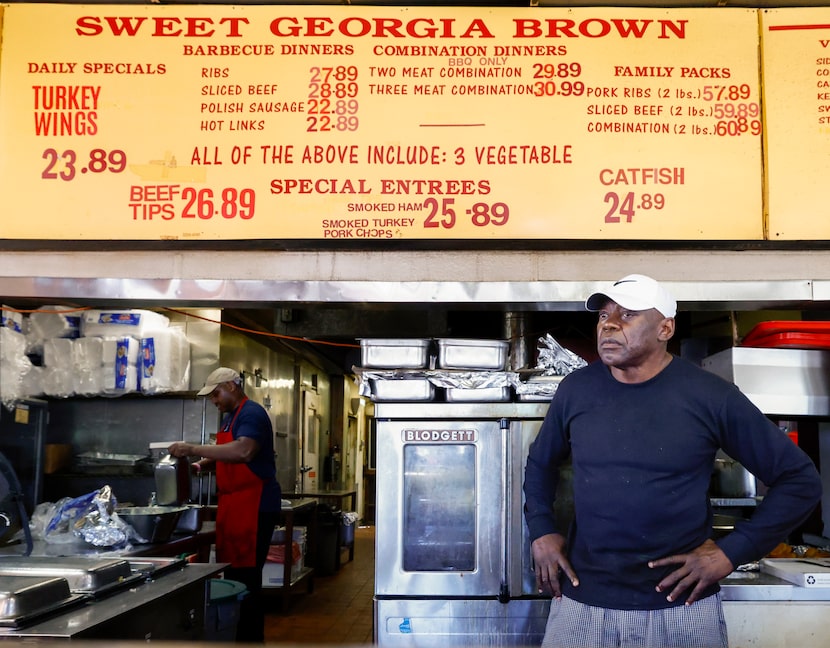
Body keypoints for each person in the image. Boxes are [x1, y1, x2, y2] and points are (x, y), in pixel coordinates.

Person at [523, 274, 822, 648]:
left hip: (681, 606)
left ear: (665, 328)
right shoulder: (576, 390)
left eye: (628, 314)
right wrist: (542, 530)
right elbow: (540, 463)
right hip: (583, 600)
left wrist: (732, 551)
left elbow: (799, 480)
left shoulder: (711, 396)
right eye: (603, 315)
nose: (610, 323)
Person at [168, 367, 281, 643]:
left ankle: (250, 640)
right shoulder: (231, 417)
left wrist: (193, 448)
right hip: (236, 505)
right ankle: (235, 636)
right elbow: (225, 454)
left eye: (216, 394)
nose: (214, 400)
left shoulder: (251, 413)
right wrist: (199, 465)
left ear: (231, 386)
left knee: (247, 579)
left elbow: (243, 451)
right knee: (235, 573)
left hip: (254, 505)